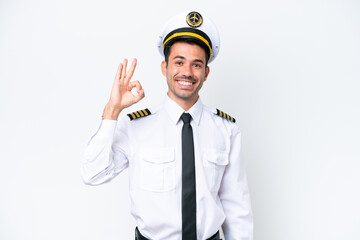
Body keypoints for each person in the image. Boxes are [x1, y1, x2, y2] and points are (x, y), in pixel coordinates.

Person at [81, 11, 253, 240]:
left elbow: (237, 208)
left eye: (196, 65)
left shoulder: (226, 130)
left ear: (206, 72)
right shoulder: (136, 127)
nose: (187, 73)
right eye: (179, 62)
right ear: (165, 67)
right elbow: (92, 174)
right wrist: (112, 110)